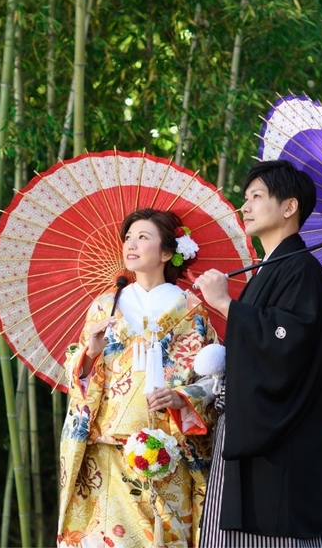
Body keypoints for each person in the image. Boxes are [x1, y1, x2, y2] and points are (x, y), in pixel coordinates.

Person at [194, 160, 322, 547]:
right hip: (246, 424)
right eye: (245, 198)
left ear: (289, 207)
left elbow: (289, 342)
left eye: (256, 197)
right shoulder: (269, 271)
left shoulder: (302, 269)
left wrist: (229, 306)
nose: (245, 206)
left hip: (280, 437)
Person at [57, 208, 219, 548]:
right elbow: (77, 376)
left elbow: (213, 376)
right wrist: (89, 352)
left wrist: (182, 397)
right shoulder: (105, 306)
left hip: (171, 452)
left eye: (143, 237)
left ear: (166, 252)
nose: (131, 244)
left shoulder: (190, 309)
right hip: (109, 451)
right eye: (128, 237)